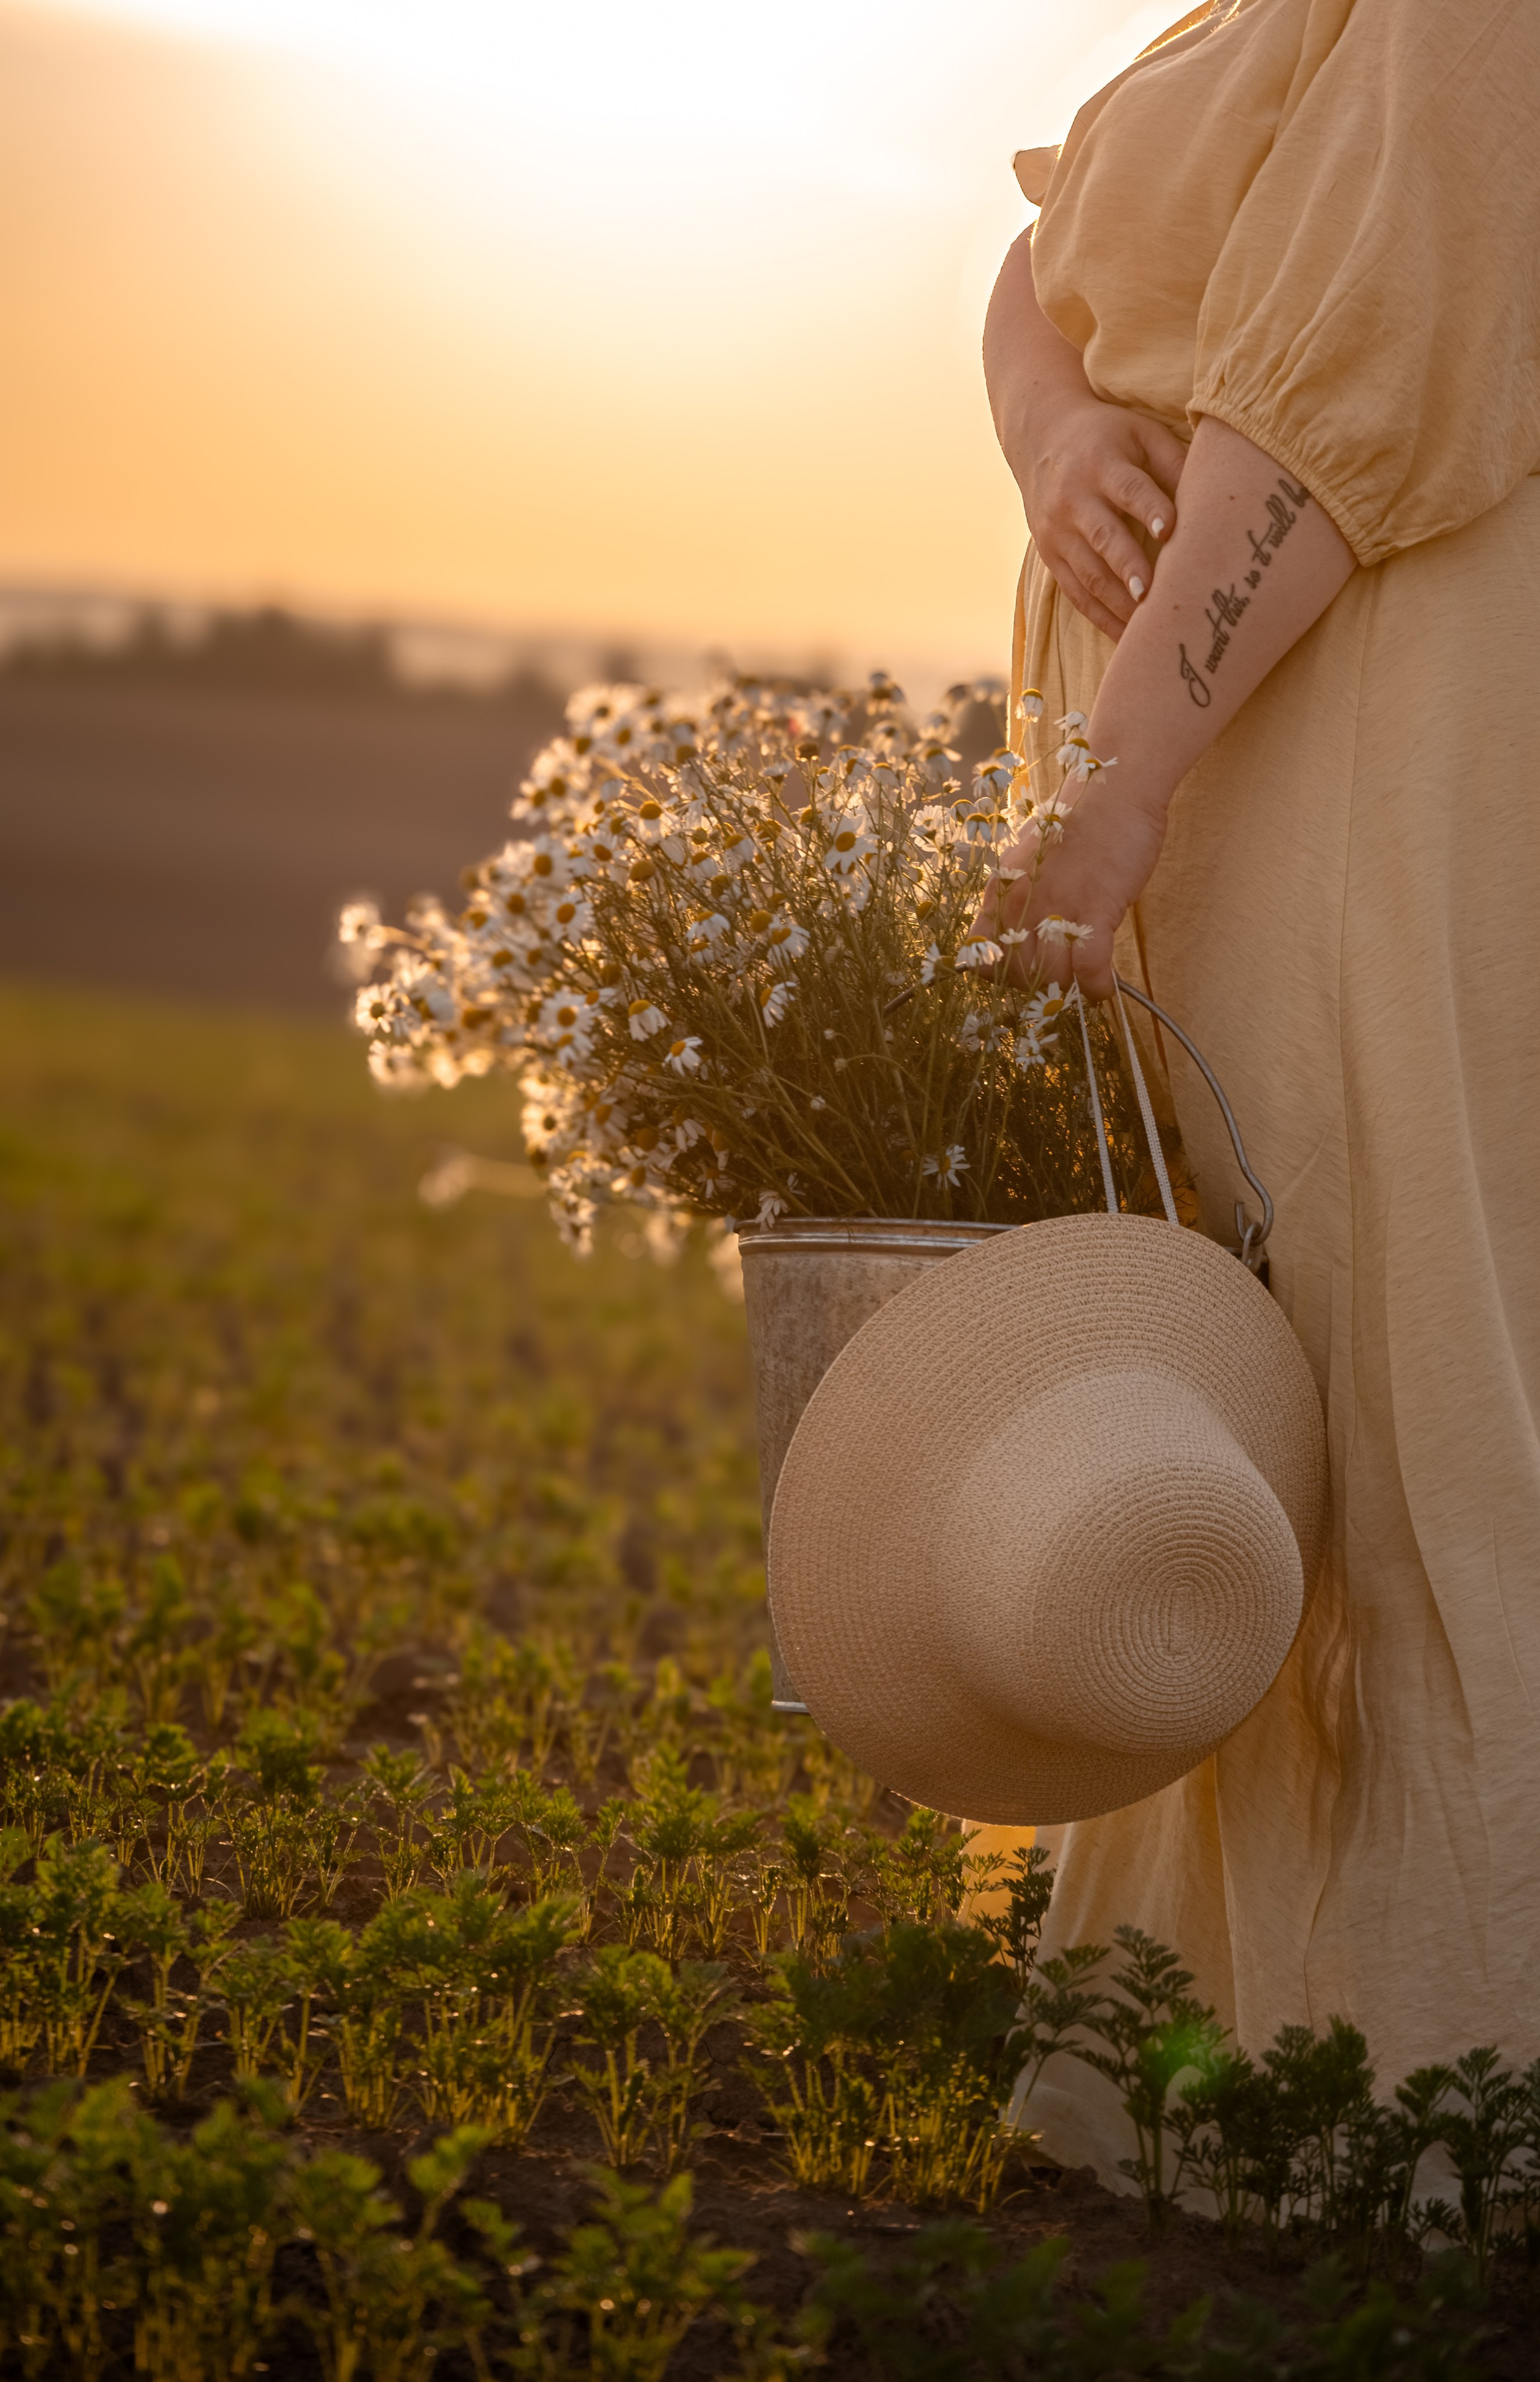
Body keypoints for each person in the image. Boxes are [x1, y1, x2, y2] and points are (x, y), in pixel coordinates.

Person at [973, 0, 1540, 2184]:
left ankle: (1439, 2087)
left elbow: (1324, 418)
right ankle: (1222, 2054)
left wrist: (1128, 787)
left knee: (1388, 1403)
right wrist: (1043, 430)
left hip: (1348, 771)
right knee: (1227, 1413)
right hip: (1227, 778)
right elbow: (1051, 251)